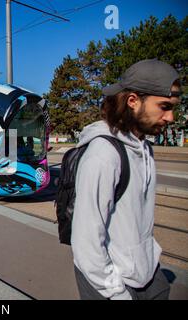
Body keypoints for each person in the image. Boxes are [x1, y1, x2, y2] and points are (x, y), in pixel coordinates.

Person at [71, 59, 181, 300]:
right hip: (112, 284)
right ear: (133, 101)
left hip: (146, 274)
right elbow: (86, 241)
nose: (171, 117)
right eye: (164, 106)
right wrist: (116, 293)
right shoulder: (104, 155)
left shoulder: (144, 147)